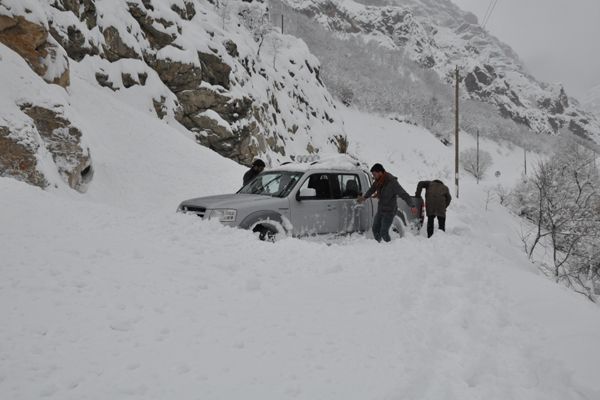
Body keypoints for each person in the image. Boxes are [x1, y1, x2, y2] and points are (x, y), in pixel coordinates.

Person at [357, 163, 414, 242]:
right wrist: (364, 197)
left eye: (374, 174)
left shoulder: (392, 182)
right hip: (381, 209)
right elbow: (372, 189)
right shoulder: (378, 181)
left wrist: (412, 205)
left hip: (389, 211)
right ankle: (380, 245)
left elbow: (403, 193)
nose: (373, 176)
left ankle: (389, 247)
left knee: (384, 232)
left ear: (380, 172)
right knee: (375, 229)